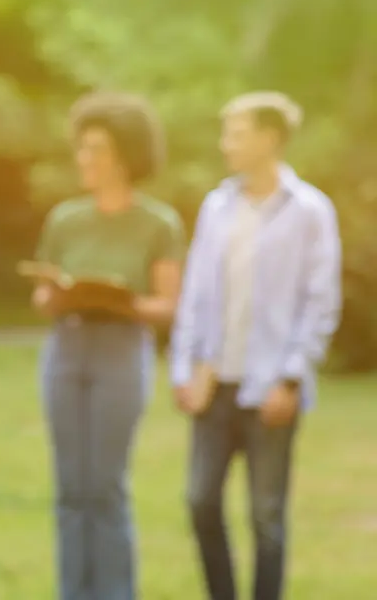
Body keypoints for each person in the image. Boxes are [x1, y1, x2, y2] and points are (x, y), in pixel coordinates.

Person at [170, 91, 341, 600]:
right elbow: (196, 294)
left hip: (270, 387)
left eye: (236, 134)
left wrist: (291, 378)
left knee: (266, 516)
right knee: (200, 501)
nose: (227, 145)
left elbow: (320, 303)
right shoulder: (217, 206)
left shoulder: (309, 210)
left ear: (269, 138)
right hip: (214, 383)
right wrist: (184, 369)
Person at [31, 91, 184, 600]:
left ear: (125, 153)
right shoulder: (65, 218)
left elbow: (169, 304)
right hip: (66, 350)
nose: (84, 158)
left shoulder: (158, 223)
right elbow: (42, 296)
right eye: (83, 147)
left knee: (106, 486)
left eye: (95, 147)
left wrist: (121, 301)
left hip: (122, 351)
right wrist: (58, 293)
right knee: (71, 487)